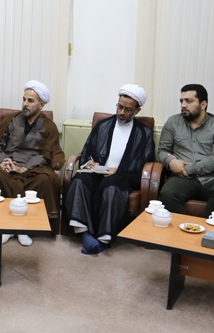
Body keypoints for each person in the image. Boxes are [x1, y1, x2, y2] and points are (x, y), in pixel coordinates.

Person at [64, 84, 154, 254]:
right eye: (119, 107)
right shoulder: (103, 125)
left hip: (122, 176)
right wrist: (89, 163)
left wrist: (118, 171)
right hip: (96, 173)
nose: (121, 112)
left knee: (111, 188)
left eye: (127, 109)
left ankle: (103, 239)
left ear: (137, 110)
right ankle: (84, 234)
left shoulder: (144, 133)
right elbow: (87, 151)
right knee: (79, 181)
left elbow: (143, 163)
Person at [0, 80, 64, 246]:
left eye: (30, 101)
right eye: (24, 99)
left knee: (46, 179)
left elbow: (47, 153)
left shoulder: (49, 126)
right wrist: (3, 161)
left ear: (41, 105)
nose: (25, 104)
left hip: (33, 168)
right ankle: (4, 226)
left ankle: (25, 227)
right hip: (7, 165)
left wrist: (24, 167)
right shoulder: (10, 120)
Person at [158, 84, 214, 218]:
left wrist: (187, 169)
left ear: (203, 104)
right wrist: (170, 162)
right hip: (182, 179)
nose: (183, 105)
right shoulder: (173, 122)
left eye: (189, 101)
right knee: (168, 192)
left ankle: (209, 230)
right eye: (181, 101)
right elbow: (162, 151)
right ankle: (181, 229)